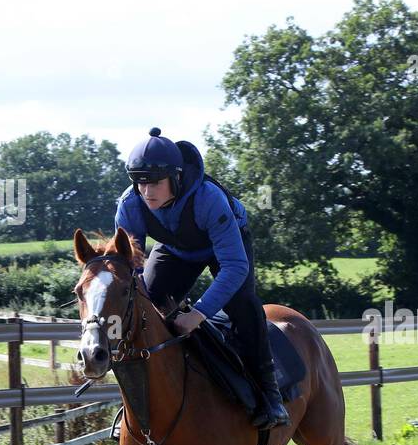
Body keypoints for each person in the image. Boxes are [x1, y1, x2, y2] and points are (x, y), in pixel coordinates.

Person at [114, 127, 290, 428]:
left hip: (225, 247)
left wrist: (197, 314)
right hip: (176, 249)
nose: (147, 192)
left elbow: (235, 266)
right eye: (140, 182)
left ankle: (270, 395)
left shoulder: (209, 198)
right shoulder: (129, 205)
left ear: (177, 177)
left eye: (155, 182)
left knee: (243, 305)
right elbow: (132, 270)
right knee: (149, 306)